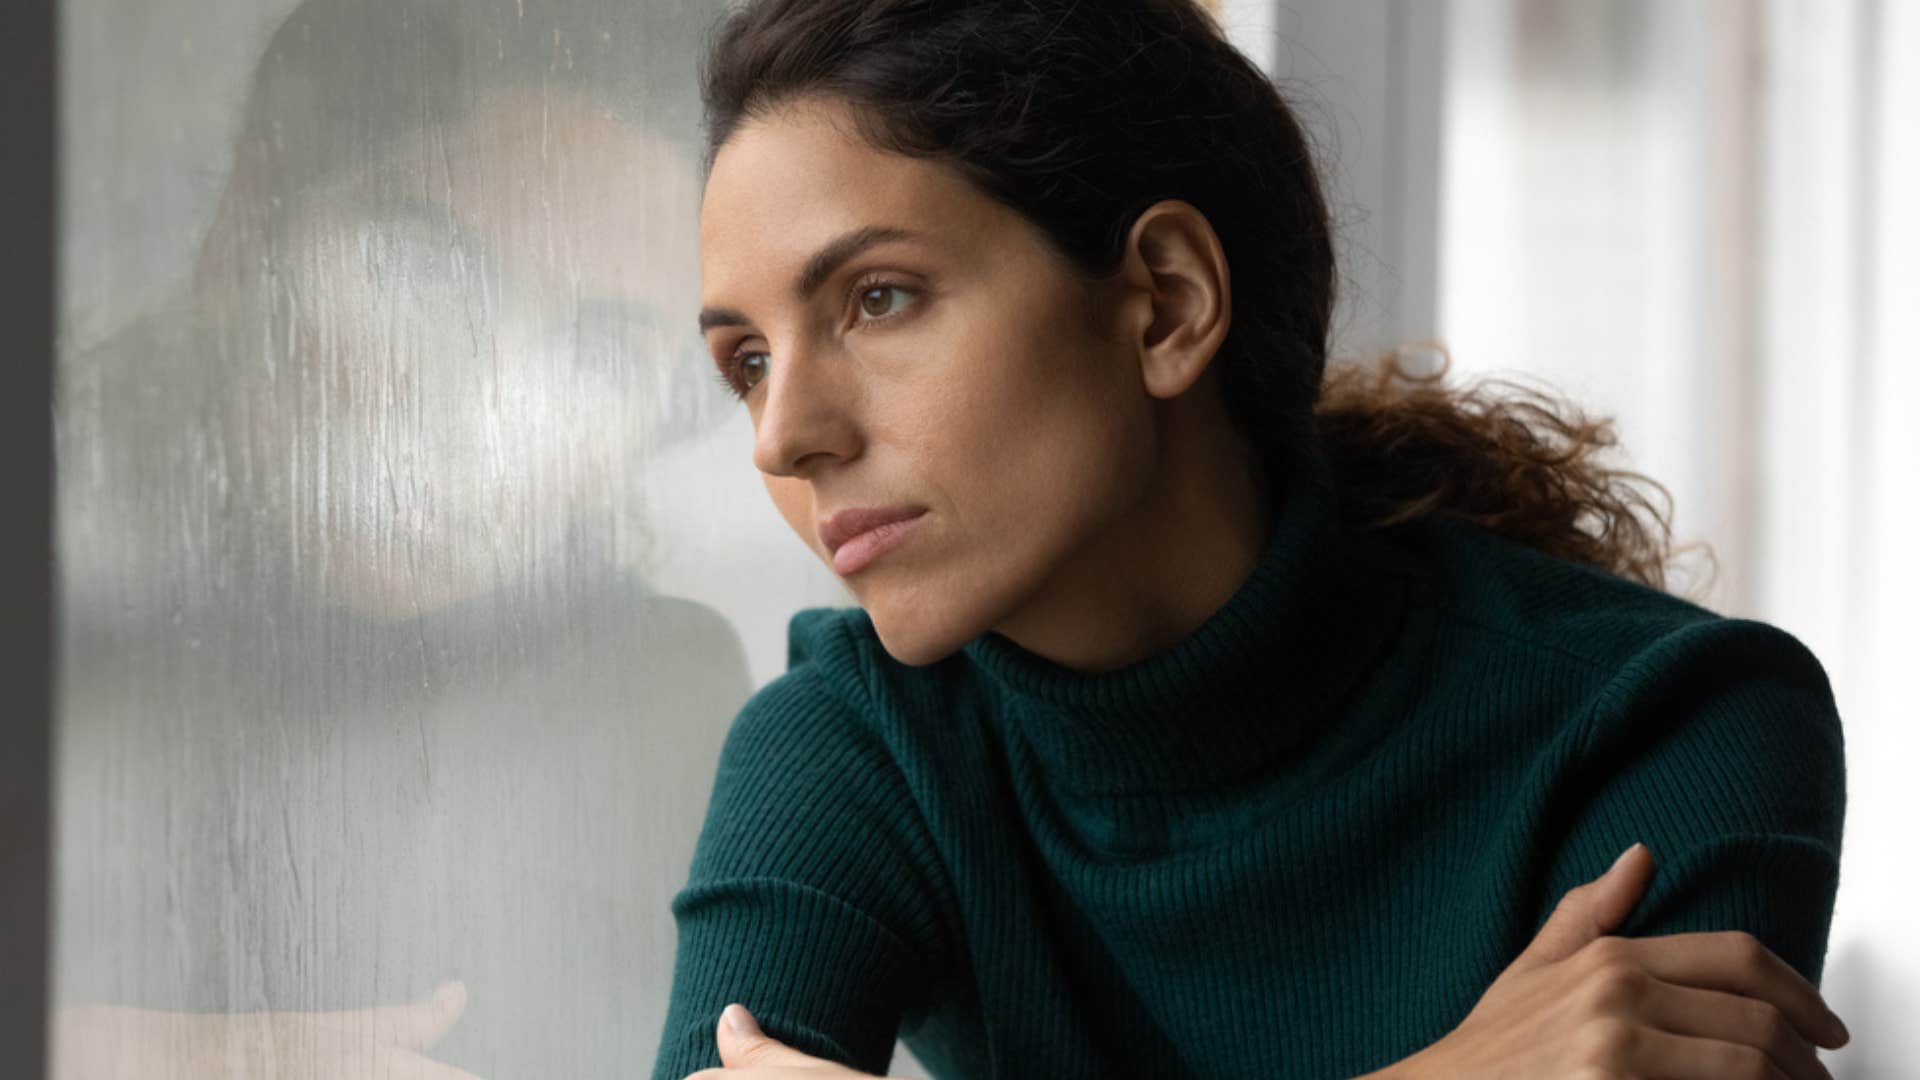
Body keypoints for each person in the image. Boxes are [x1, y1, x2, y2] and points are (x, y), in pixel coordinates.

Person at [653, 1, 1850, 1077]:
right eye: (747, 363)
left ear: (1166, 302)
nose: (783, 436)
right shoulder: (859, 744)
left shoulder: (1670, 722)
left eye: (878, 298)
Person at [51, 1, 751, 1076]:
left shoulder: (661, 705)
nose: (484, 418)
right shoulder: (63, 569)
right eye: (427, 276)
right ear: (253, 223)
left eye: (602, 353)